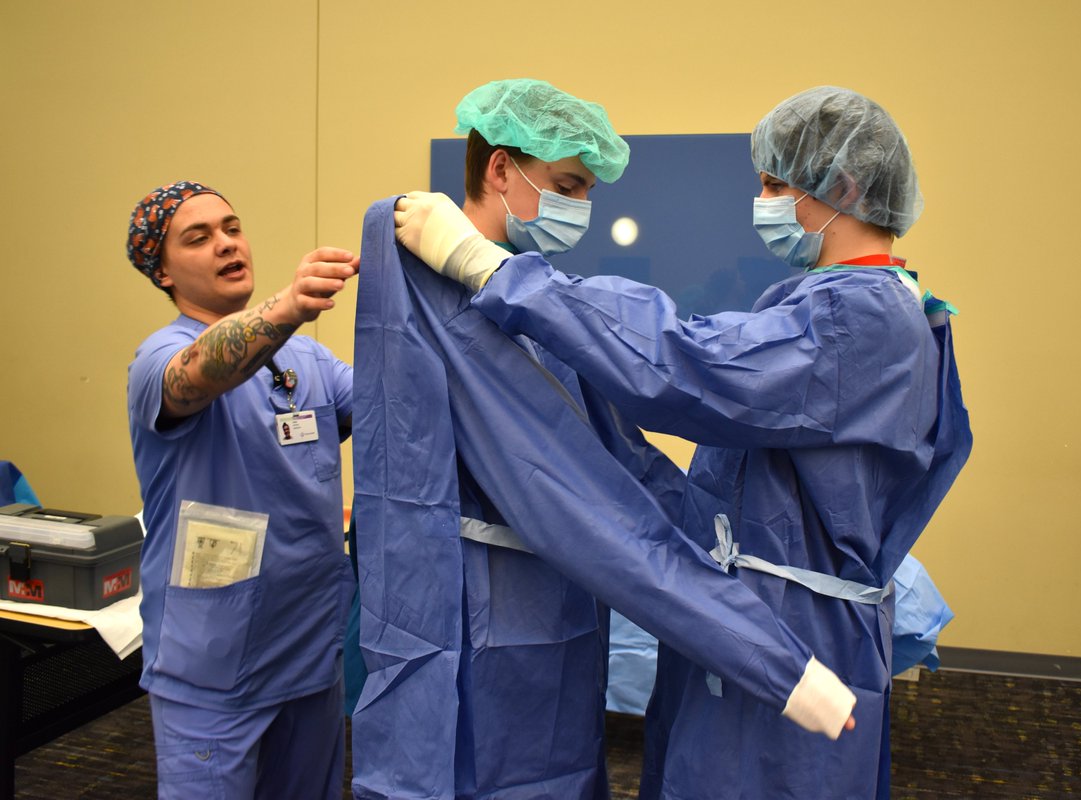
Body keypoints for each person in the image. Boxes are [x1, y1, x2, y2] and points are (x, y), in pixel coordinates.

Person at [395, 86, 973, 799]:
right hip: (750, 625)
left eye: (773, 184)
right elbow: (703, 478)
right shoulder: (833, 304)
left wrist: (497, 273)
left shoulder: (861, 319)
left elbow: (689, 364)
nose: (759, 202)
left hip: (793, 639)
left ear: (844, 187)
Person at [124, 180, 359, 798]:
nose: (226, 244)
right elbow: (197, 374)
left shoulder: (304, 362)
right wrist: (285, 308)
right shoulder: (159, 358)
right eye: (198, 238)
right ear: (164, 272)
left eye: (231, 228)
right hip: (213, 676)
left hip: (308, 659)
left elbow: (392, 405)